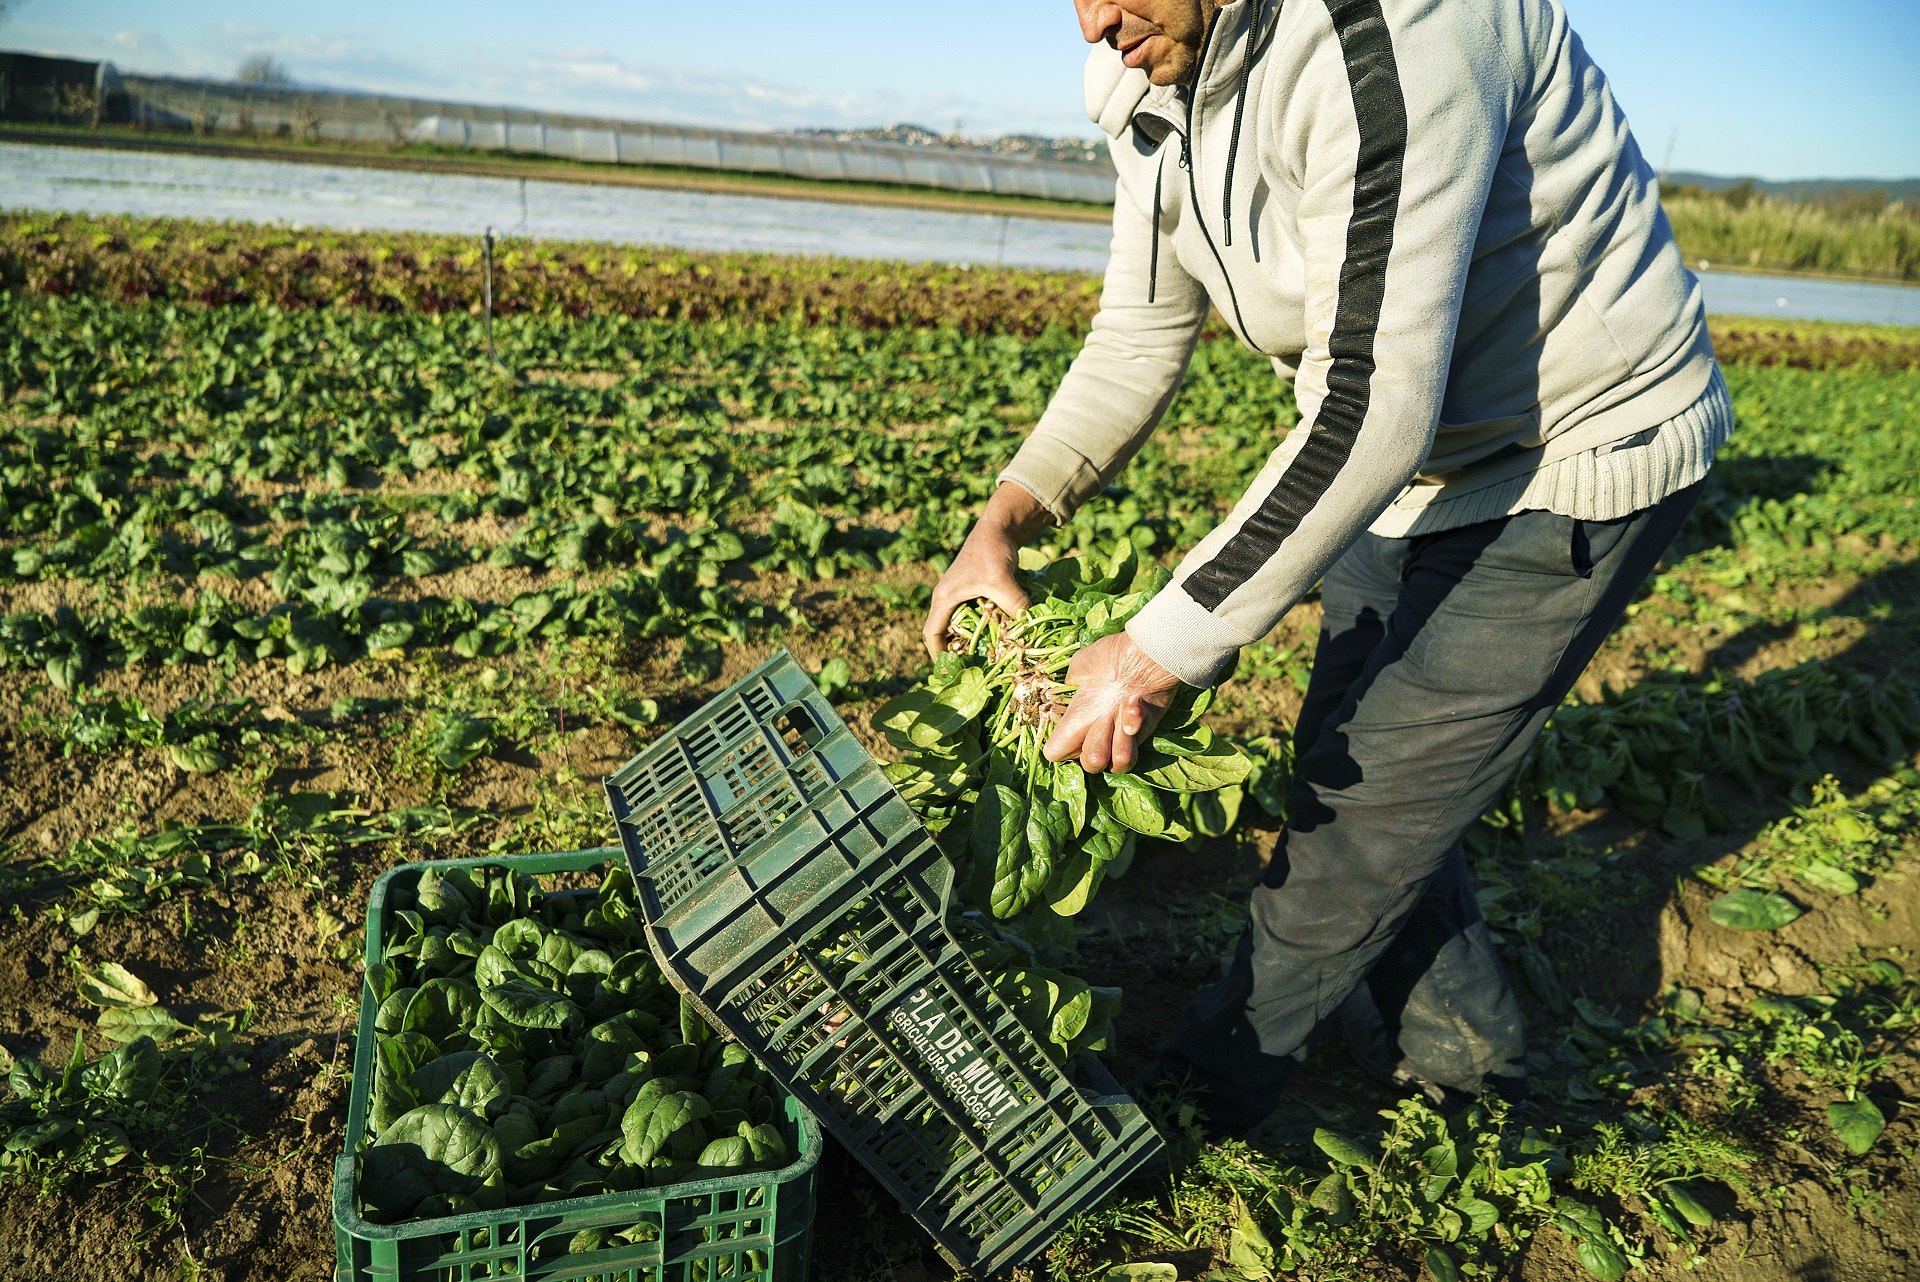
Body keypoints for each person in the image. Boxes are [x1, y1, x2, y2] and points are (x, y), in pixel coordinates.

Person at [922, 0, 1731, 1138]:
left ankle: (1204, 1095)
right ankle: (1466, 1050)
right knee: (1358, 757)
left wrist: (1154, 654)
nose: (1099, 20)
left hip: (1574, 447)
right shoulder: (1143, 64)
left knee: (1368, 802)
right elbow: (1140, 328)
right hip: (1398, 446)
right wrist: (1003, 517)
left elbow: (1375, 404)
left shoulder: (1405, 34)